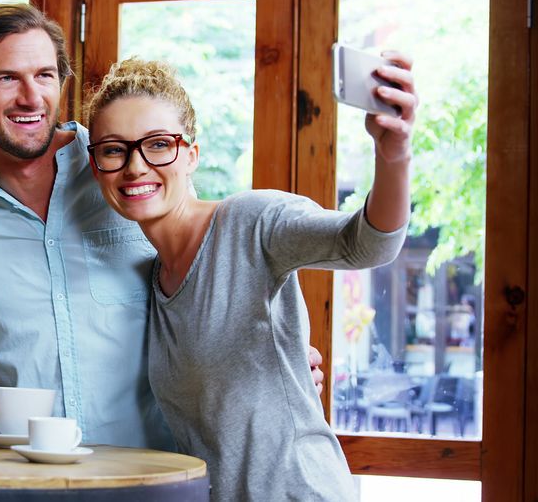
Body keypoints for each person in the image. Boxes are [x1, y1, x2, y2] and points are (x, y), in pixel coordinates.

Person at [0, 3, 324, 451]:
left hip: (157, 476)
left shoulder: (134, 177)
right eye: (7, 78)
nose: (31, 96)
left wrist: (273, 360)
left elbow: (219, 279)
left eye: (45, 75)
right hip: (24, 483)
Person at [84, 57, 416, 500]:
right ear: (96, 167)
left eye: (159, 144)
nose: (135, 166)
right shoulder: (152, 278)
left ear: (191, 155)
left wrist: (394, 156)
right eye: (113, 149)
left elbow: (368, 243)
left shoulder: (250, 221)